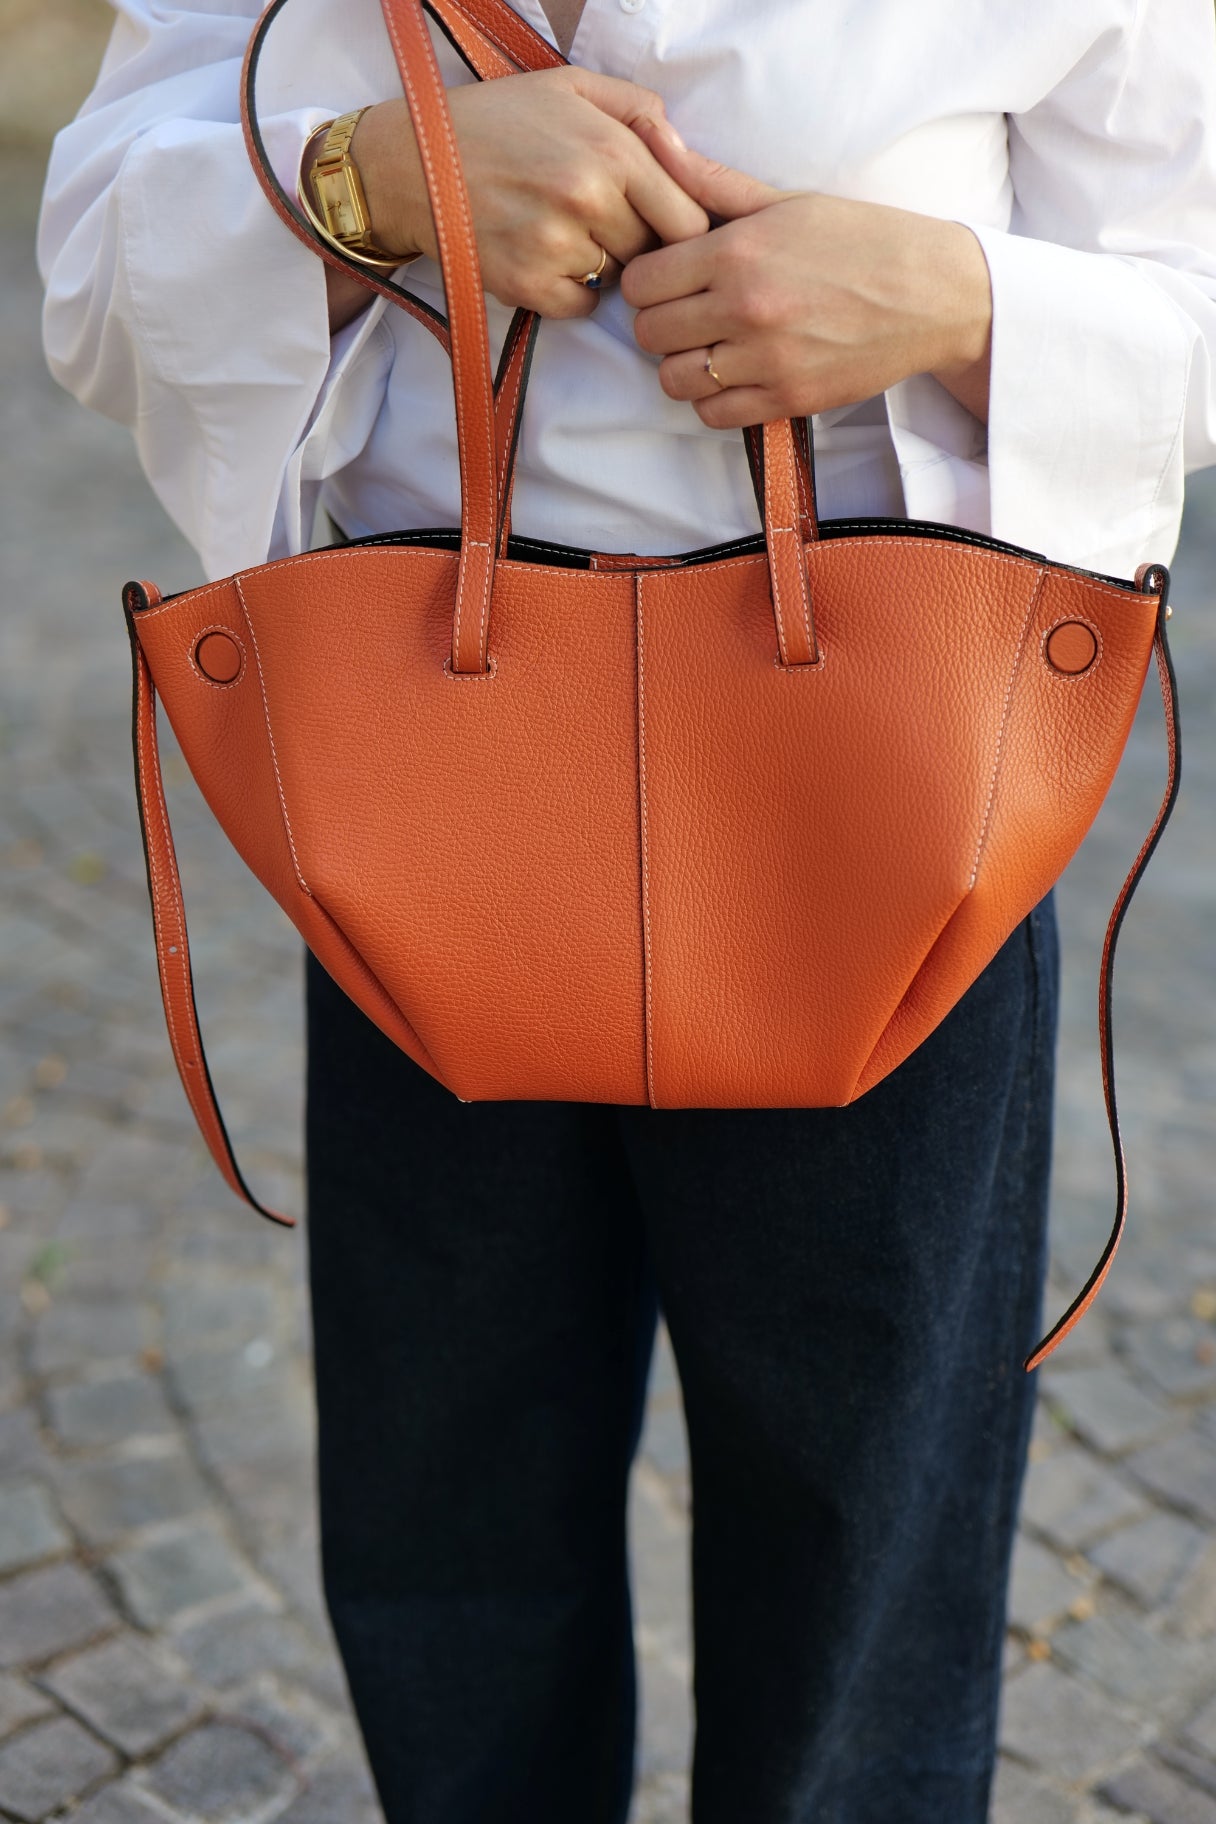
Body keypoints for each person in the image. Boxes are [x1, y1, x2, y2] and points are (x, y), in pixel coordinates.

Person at [37, 1, 1216, 1819]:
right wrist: (371, 187)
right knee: (450, 1533)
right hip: (427, 811)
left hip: (879, 831)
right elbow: (93, 289)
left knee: (865, 1577)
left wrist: (968, 303)